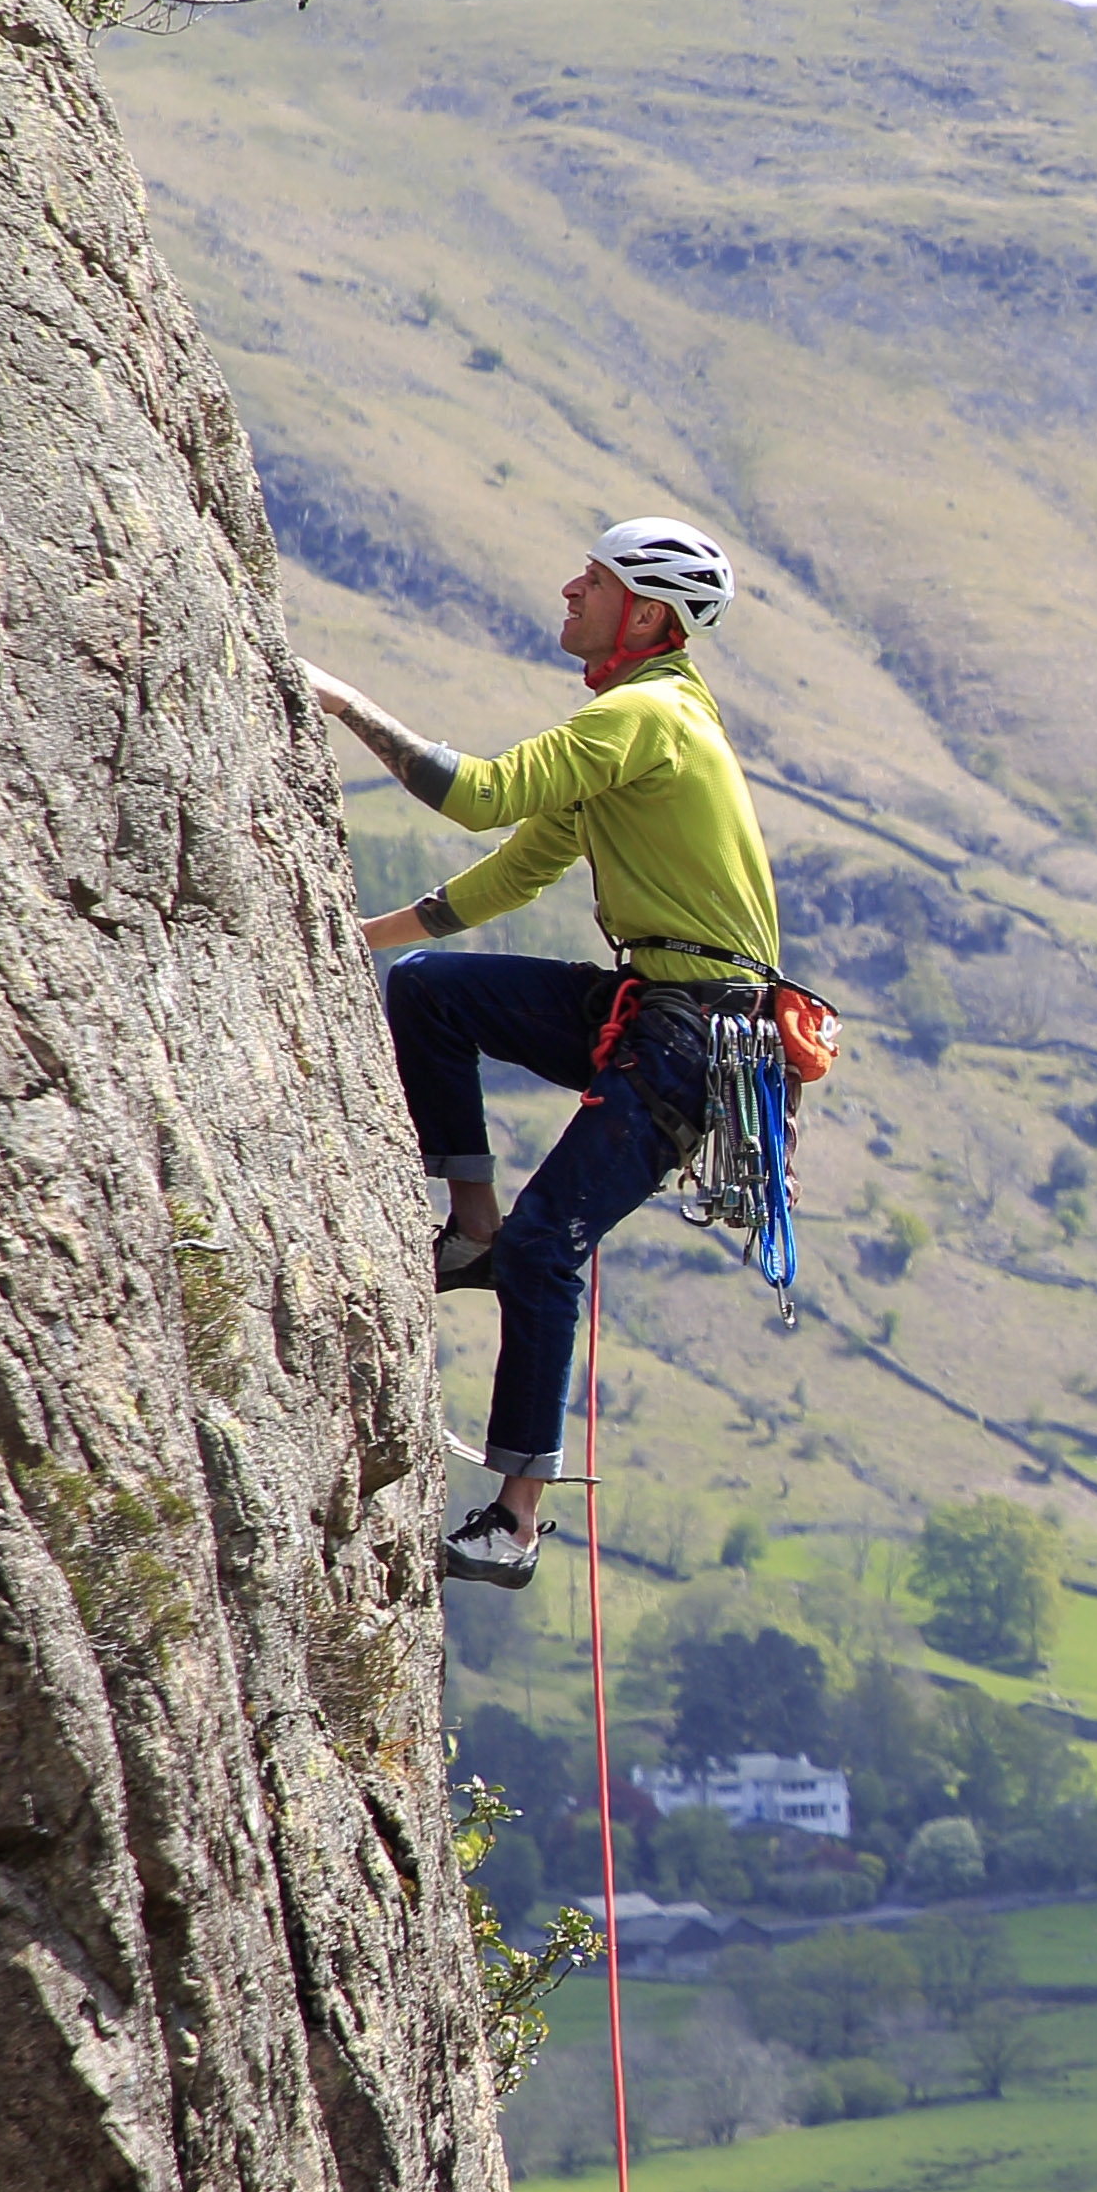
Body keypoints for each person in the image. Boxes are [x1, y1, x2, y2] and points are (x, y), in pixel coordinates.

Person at [302, 515, 782, 1588]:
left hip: (691, 1035)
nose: (570, 589)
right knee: (431, 998)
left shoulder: (646, 719)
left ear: (646, 615)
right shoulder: (639, 729)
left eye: (596, 581)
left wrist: (340, 704)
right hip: (656, 1006)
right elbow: (516, 874)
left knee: (546, 1248)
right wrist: (353, 940)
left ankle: (514, 1528)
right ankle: (467, 1237)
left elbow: (477, 798)